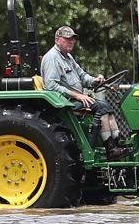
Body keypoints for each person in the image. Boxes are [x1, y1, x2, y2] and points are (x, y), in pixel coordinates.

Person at [40, 25, 130, 160]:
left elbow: (82, 77)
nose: (71, 42)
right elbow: (51, 86)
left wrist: (95, 80)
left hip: (76, 99)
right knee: (102, 108)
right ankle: (110, 149)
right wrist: (77, 95)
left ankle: (116, 144)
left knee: (107, 108)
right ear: (57, 40)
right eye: (67, 39)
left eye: (73, 39)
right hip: (65, 103)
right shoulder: (52, 58)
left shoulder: (68, 57)